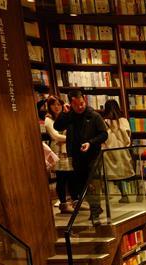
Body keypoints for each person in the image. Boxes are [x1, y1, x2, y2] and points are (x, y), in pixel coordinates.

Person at [52, 89, 108, 222]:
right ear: (71, 104)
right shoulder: (69, 115)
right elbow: (57, 126)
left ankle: (94, 211)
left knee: (92, 182)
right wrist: (63, 114)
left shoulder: (93, 116)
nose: (80, 106)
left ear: (84, 100)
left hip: (93, 155)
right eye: (77, 105)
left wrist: (90, 142)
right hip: (76, 156)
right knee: (82, 184)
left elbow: (104, 134)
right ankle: (95, 206)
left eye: (82, 103)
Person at [44, 96, 75, 212]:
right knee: (61, 178)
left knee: (72, 177)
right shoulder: (48, 120)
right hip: (58, 152)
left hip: (69, 150)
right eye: (53, 104)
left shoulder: (65, 117)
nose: (57, 107)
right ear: (49, 106)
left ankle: (74, 201)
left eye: (59, 104)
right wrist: (72, 138)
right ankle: (63, 204)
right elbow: (55, 136)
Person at [101, 99, 135, 203]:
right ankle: (124, 195)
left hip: (108, 150)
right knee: (120, 173)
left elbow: (102, 136)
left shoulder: (104, 121)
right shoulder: (123, 120)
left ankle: (107, 196)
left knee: (107, 174)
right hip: (122, 149)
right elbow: (128, 135)